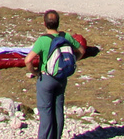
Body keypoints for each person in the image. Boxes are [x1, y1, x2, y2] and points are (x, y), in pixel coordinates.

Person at [27, 10, 83, 139]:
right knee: (58, 110)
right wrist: (72, 62)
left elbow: (28, 60)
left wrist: (35, 72)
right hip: (62, 77)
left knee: (46, 112)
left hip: (46, 78)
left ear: (44, 24)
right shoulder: (66, 36)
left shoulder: (42, 40)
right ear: (58, 23)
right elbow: (81, 50)